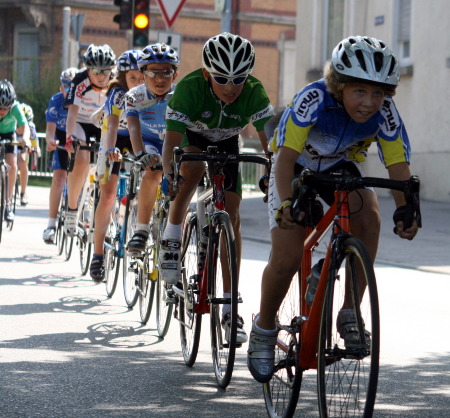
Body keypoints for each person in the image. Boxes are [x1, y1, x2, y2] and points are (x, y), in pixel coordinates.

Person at [247, 35, 420, 384]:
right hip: (294, 167)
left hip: (339, 167)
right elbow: (285, 160)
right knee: (287, 255)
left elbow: (398, 166)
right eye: (360, 91)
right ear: (339, 86)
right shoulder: (314, 99)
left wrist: (406, 209)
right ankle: (263, 329)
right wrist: (285, 204)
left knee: (369, 213)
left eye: (378, 93)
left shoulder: (385, 112)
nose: (369, 102)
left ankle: (350, 310)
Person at [161, 32, 273, 344]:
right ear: (207, 73)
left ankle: (230, 307)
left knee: (232, 216)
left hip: (227, 141)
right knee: (193, 168)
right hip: (191, 138)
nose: (231, 86)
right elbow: (171, 143)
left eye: (239, 79)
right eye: (222, 78)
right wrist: (169, 173)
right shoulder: (189, 88)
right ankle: (172, 236)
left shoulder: (254, 92)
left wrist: (273, 171)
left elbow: (273, 146)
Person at [89, 50, 144, 282]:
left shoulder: (149, 92)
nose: (138, 82)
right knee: (108, 194)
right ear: (123, 77)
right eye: (133, 78)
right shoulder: (117, 94)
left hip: (137, 137)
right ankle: (98, 255)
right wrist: (110, 149)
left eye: (142, 77)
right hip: (115, 137)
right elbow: (111, 126)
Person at [125, 43, 180, 255]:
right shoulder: (134, 96)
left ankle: (176, 231)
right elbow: (133, 127)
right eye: (153, 73)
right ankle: (141, 230)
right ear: (142, 75)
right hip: (150, 143)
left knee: (181, 181)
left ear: (175, 75)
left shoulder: (181, 95)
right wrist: (141, 154)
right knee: (152, 171)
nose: (159, 79)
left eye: (166, 72)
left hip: (174, 143)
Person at [63, 44, 116, 237]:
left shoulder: (116, 81)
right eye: (96, 71)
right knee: (82, 159)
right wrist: (70, 138)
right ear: (87, 70)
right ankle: (71, 210)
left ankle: (110, 216)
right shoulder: (79, 80)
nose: (102, 76)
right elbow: (71, 114)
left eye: (106, 71)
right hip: (82, 122)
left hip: (103, 122)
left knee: (111, 164)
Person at [42, 67, 78, 244]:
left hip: (78, 135)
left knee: (79, 176)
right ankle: (51, 224)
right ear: (61, 88)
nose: (69, 92)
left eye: (73, 88)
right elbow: (50, 130)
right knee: (59, 178)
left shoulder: (82, 101)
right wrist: (51, 141)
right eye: (66, 88)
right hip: (61, 136)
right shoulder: (56, 101)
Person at [0, 79, 30, 222]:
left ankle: (8, 203)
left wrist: (25, 138)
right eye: (0, 108)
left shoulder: (16, 107)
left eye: (6, 108)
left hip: (9, 134)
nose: (3, 111)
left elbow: (25, 126)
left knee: (12, 165)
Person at [16, 103, 41, 206]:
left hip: (23, 147)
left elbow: (35, 142)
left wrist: (36, 149)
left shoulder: (30, 127)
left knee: (23, 161)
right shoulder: (11, 124)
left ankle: (23, 193)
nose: (20, 128)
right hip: (12, 145)